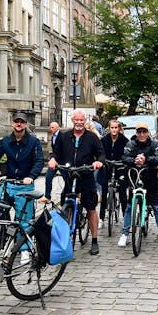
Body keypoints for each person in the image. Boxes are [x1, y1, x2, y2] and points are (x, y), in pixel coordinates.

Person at [0, 111, 44, 259]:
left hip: (24, 185)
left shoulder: (33, 142)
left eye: (22, 122)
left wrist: (31, 177)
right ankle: (4, 235)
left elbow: (39, 161)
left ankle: (24, 249)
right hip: (8, 183)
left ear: (26, 124)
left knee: (24, 218)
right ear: (12, 123)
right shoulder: (6, 141)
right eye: (16, 121)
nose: (19, 124)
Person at [48, 109, 105, 255]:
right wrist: (53, 159)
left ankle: (94, 240)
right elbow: (56, 152)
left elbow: (100, 153)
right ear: (72, 120)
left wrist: (98, 162)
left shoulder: (91, 137)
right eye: (76, 120)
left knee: (91, 207)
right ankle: (65, 235)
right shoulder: (64, 136)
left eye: (81, 120)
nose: (79, 122)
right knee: (65, 203)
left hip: (86, 173)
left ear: (85, 121)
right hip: (69, 173)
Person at [119, 122, 158, 246]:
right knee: (129, 206)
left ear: (148, 133)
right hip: (134, 177)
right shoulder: (131, 144)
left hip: (150, 178)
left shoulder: (154, 144)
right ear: (136, 133)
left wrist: (146, 159)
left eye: (144, 132)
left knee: (156, 206)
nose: (142, 134)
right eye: (139, 132)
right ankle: (125, 233)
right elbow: (124, 157)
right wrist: (134, 160)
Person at [98, 119, 129, 225]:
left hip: (120, 167)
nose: (114, 130)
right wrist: (102, 161)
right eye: (112, 127)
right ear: (109, 128)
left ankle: (126, 217)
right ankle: (101, 218)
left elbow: (127, 153)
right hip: (107, 166)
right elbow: (100, 152)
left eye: (116, 127)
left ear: (119, 129)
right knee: (104, 191)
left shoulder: (124, 140)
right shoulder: (104, 140)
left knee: (122, 193)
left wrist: (124, 161)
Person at [44, 121, 63, 199]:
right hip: (54, 160)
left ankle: (67, 194)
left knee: (67, 179)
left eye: (52, 127)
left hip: (62, 161)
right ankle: (47, 196)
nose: (51, 129)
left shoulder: (62, 136)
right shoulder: (53, 136)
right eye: (50, 127)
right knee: (48, 178)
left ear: (57, 127)